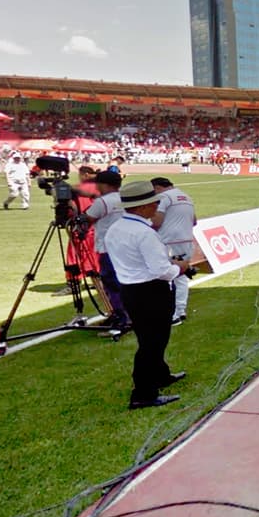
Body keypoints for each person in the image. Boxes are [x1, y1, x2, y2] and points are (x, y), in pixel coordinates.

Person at [104, 181, 191, 409]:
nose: (157, 206)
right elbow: (162, 271)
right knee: (153, 343)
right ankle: (143, 393)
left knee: (149, 339)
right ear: (142, 207)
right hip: (151, 291)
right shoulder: (144, 233)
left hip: (131, 289)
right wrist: (180, 267)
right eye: (153, 203)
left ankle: (160, 375)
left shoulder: (116, 228)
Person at [86, 171, 131, 333]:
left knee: (112, 284)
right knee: (123, 282)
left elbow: (87, 218)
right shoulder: (125, 198)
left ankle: (122, 318)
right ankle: (124, 315)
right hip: (126, 246)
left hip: (108, 248)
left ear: (104, 184)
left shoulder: (103, 201)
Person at [150, 178, 197, 326]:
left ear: (157, 188)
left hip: (168, 241)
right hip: (186, 240)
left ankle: (172, 314)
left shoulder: (163, 197)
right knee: (181, 277)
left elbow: (157, 221)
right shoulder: (187, 197)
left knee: (165, 276)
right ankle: (180, 310)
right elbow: (194, 221)